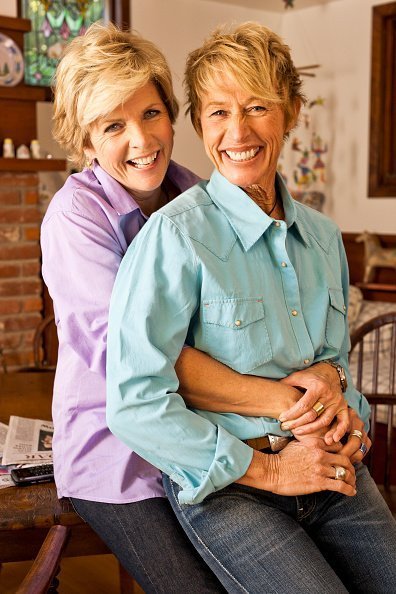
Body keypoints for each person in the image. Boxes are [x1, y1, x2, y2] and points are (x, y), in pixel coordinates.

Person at [41, 21, 349, 593]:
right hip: (122, 462)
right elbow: (134, 361)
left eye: (151, 114)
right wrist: (291, 403)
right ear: (85, 142)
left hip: (214, 440)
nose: (142, 140)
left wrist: (324, 388)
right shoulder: (74, 218)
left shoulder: (197, 195)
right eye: (114, 125)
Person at [106, 22, 396, 593]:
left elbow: (332, 368)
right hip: (233, 486)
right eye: (217, 112)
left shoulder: (324, 238)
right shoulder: (173, 237)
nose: (238, 131)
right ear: (198, 125)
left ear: (289, 112)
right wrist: (268, 470)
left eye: (257, 106)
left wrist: (351, 420)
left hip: (334, 470)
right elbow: (134, 402)